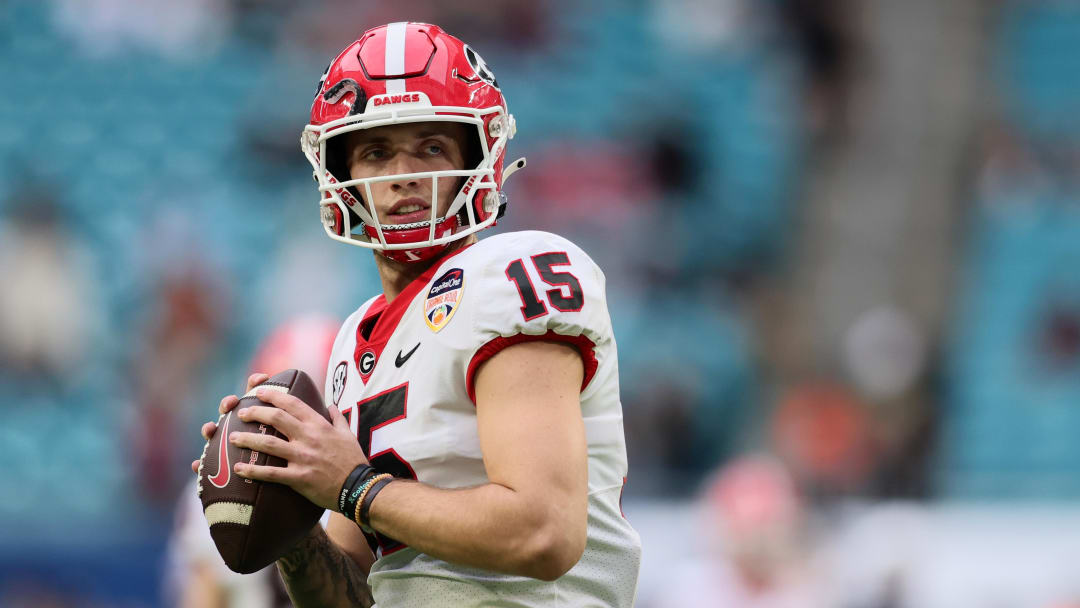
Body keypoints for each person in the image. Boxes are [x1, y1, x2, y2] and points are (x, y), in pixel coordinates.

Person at [194, 22, 641, 607]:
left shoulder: (516, 270)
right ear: (341, 177)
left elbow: (544, 532)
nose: (404, 173)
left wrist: (352, 485)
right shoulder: (354, 340)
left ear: (479, 156)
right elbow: (356, 598)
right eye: (376, 152)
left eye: (430, 146)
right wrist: (294, 511)